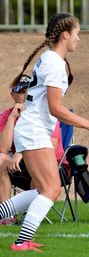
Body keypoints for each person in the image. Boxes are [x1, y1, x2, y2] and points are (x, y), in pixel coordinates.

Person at [0, 13, 89, 252]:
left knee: (43, 190)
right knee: (51, 189)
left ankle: (15, 230)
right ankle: (21, 242)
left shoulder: (49, 59)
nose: (79, 39)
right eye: (77, 34)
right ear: (65, 35)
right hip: (34, 130)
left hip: (32, 129)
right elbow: (56, 108)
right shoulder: (54, 63)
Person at [0, 75, 29, 225]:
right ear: (13, 94)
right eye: (22, 91)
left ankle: (29, 214)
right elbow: (3, 149)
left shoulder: (41, 113)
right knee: (0, 159)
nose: (26, 94)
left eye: (28, 90)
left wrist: (20, 153)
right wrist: (12, 118)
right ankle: (7, 214)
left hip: (38, 161)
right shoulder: (6, 116)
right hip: (14, 165)